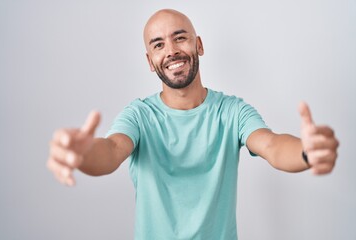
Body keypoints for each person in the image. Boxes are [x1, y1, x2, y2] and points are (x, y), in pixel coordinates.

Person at [47, 9, 339, 240]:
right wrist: (81, 153)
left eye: (180, 37)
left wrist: (306, 152)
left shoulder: (231, 111)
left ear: (198, 45)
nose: (171, 50)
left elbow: (272, 145)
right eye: (158, 44)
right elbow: (111, 151)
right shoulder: (139, 115)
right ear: (150, 61)